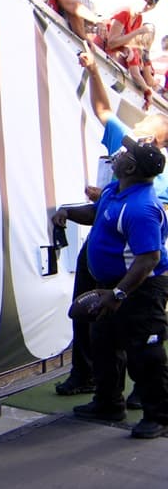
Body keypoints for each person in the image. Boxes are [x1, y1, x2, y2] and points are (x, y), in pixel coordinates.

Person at [51, 45, 168, 409]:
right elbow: (103, 111)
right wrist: (75, 211)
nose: (136, 125)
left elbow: (147, 251)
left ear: (152, 143)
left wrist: (118, 292)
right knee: (101, 330)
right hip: (109, 260)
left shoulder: (145, 193)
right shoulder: (125, 173)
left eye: (146, 125)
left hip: (136, 273)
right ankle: (105, 396)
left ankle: (149, 407)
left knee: (140, 343)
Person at [56, 135, 168, 438]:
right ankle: (108, 403)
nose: (117, 155)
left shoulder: (142, 207)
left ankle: (158, 416)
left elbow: (148, 259)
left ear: (130, 167)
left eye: (124, 154)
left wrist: (119, 293)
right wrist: (68, 211)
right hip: (112, 284)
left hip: (141, 288)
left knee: (146, 352)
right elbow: (96, 214)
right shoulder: (116, 190)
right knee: (103, 342)